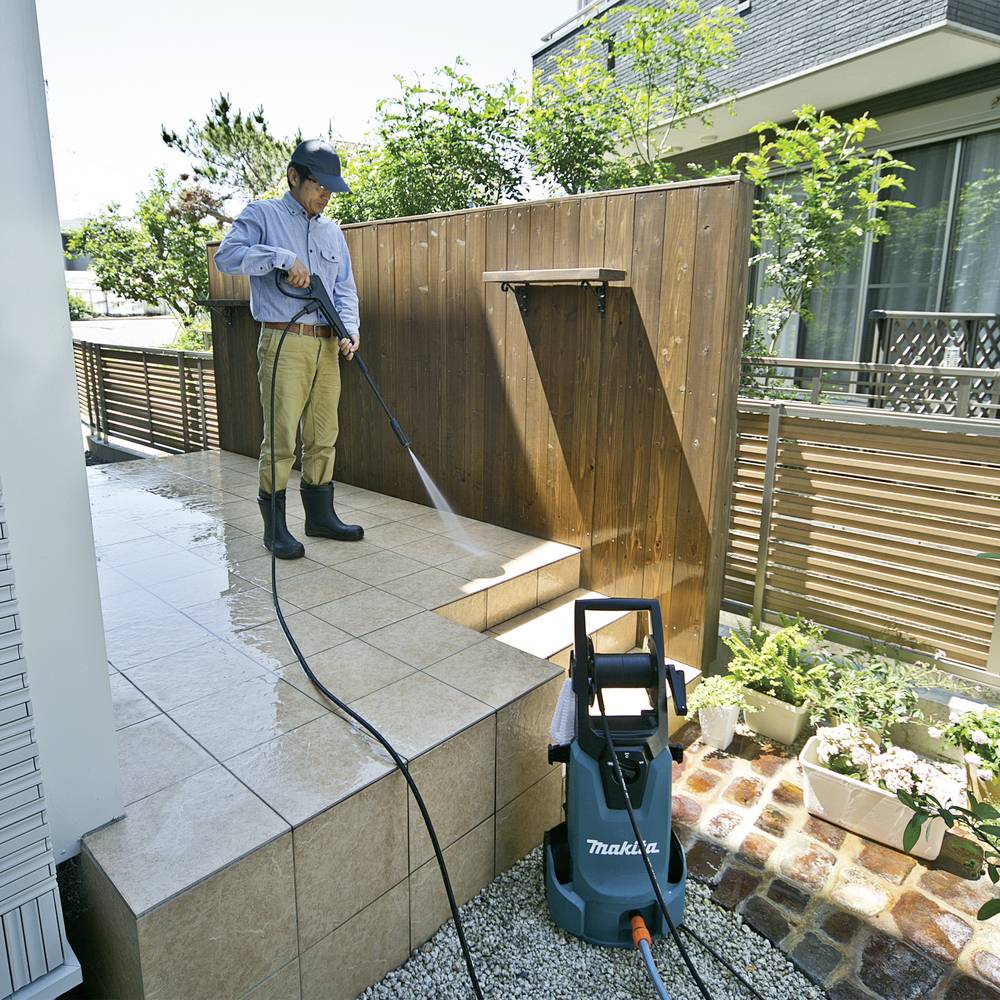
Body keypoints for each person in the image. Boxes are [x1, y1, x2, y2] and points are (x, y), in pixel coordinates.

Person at [214, 139, 364, 559]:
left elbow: (345, 289)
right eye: (320, 185)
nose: (327, 194)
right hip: (283, 341)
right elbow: (227, 258)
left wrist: (350, 329)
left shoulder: (332, 231)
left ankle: (320, 518)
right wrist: (280, 257)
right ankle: (275, 529)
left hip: (329, 345)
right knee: (280, 440)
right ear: (293, 177)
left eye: (331, 187)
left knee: (323, 436)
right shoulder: (263, 215)